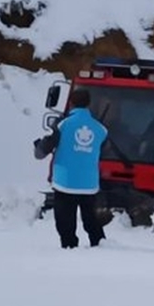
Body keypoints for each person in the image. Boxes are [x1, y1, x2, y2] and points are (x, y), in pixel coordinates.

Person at [48, 88, 108, 249]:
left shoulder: (63, 124)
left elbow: (44, 148)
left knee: (65, 221)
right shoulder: (100, 129)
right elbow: (102, 151)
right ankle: (100, 246)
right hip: (89, 184)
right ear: (89, 104)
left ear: (71, 103)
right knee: (91, 219)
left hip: (65, 182)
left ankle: (69, 248)